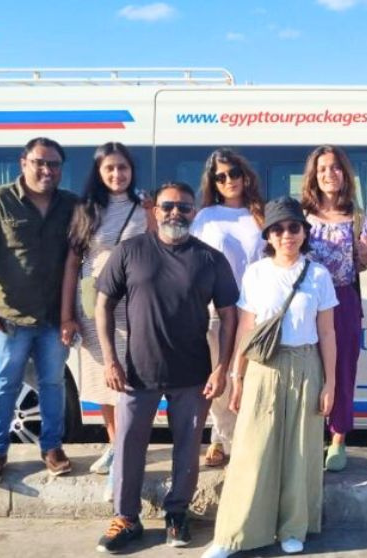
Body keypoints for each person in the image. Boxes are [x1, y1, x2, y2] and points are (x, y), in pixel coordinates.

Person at [94, 182, 239, 553]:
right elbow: (103, 305)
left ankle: (177, 513)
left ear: (194, 212)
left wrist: (221, 367)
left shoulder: (210, 259)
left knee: (187, 447)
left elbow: (228, 314)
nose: (176, 213)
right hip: (136, 372)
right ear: (155, 210)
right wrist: (110, 358)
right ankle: (126, 518)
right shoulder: (130, 251)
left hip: (192, 373)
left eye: (185, 207)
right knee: (128, 445)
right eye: (168, 205)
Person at [201, 197, 338, 558]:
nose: (287, 235)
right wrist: (238, 377)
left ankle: (294, 528)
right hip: (263, 367)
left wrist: (331, 383)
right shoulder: (256, 273)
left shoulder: (319, 275)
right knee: (252, 450)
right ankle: (233, 534)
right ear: (269, 236)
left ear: (304, 232)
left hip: (306, 364)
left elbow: (327, 333)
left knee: (300, 450)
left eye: (294, 227)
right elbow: (247, 327)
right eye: (278, 229)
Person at [0, 137, 78, 485]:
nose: (47, 170)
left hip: (55, 316)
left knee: (53, 384)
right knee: (4, 384)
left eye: (54, 164)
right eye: (40, 162)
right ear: (23, 163)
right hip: (8, 317)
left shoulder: (70, 205)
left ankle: (52, 447)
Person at [58, 143, 149, 489]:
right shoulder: (86, 210)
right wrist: (67, 315)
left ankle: (128, 445)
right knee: (102, 376)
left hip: (134, 303)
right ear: (98, 172)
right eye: (109, 168)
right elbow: (71, 265)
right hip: (93, 303)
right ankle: (115, 443)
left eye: (122, 167)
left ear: (131, 170)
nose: (116, 174)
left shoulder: (144, 209)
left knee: (131, 377)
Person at [299, 145, 367, 472]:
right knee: (307, 371)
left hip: (343, 301)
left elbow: (363, 264)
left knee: (342, 371)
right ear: (314, 176)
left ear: (345, 173)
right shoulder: (301, 216)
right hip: (307, 303)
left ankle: (338, 439)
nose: (329, 174)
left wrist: (364, 253)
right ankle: (308, 437)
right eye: (322, 169)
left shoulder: (357, 217)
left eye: (335, 167)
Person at [191, 148, 266, 468]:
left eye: (233, 173)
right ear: (213, 183)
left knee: (250, 377)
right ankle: (220, 438)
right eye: (220, 177)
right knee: (220, 377)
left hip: (258, 310)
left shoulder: (261, 213)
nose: (228, 180)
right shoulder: (206, 217)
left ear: (245, 174)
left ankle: (250, 438)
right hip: (218, 310)